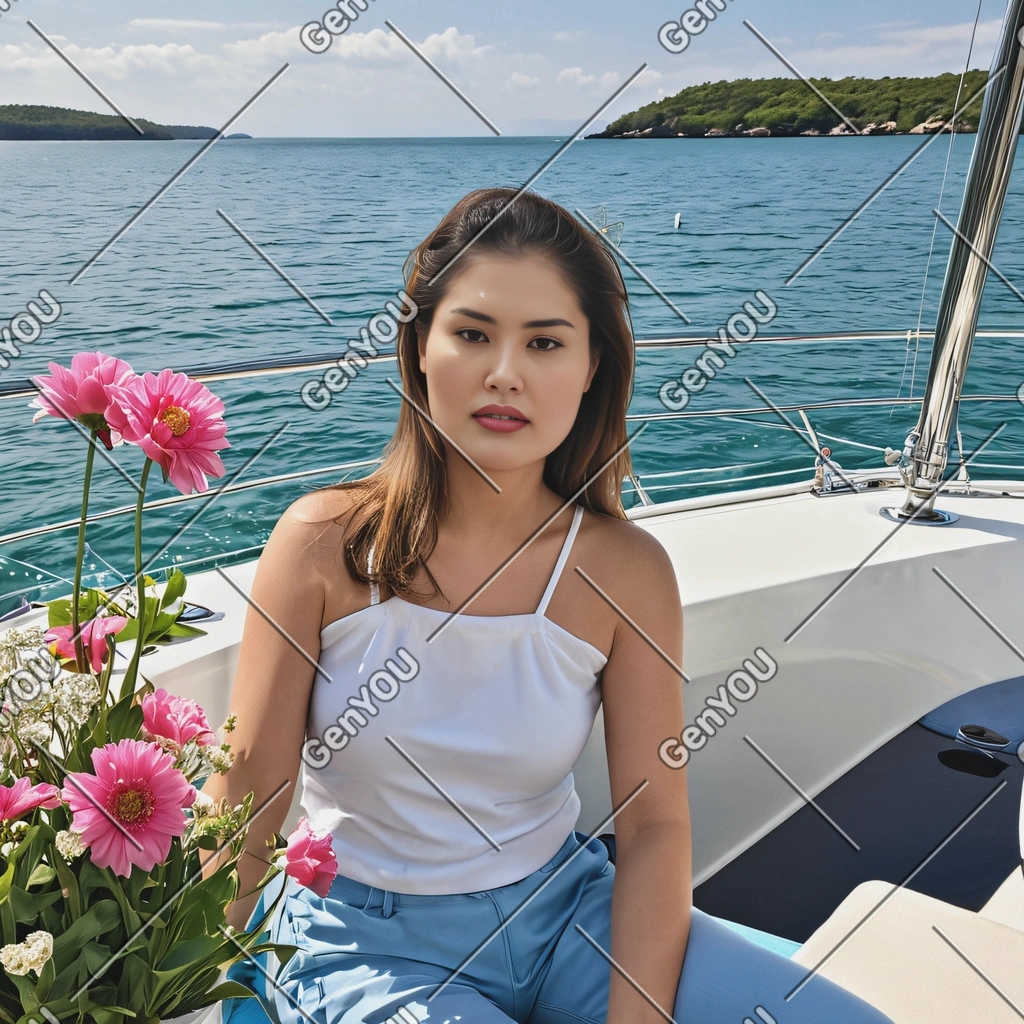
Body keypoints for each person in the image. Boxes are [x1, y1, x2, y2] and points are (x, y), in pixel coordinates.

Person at [203, 188, 894, 1024]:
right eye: (472, 334)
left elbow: (653, 825)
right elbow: (251, 791)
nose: (506, 373)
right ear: (419, 346)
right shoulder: (324, 545)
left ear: (591, 367)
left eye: (544, 342)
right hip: (367, 941)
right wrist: (193, 985)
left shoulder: (625, 570)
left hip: (565, 913)